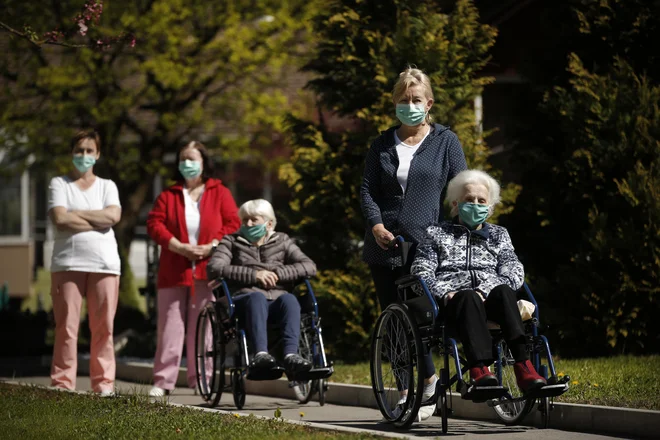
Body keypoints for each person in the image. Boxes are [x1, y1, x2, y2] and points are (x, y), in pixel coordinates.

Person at [360, 67, 467, 420]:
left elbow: (460, 187)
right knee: (394, 323)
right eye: (403, 100)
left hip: (426, 246)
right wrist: (376, 226)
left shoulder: (445, 141)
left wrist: (454, 232)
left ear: (429, 103)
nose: (409, 105)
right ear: (395, 104)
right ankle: (406, 392)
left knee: (421, 318)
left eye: (415, 100)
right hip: (385, 244)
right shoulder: (381, 144)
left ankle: (431, 381)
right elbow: (367, 190)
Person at [411, 169, 547, 394]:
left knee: (504, 290)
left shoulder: (498, 235)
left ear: (490, 207)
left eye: (481, 200)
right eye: (468, 199)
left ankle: (525, 367)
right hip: (456, 303)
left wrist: (484, 290)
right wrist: (445, 293)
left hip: (492, 300)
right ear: (455, 203)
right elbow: (421, 270)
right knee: (467, 296)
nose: (475, 204)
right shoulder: (436, 233)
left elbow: (513, 269)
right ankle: (480, 370)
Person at [146, 141, 241, 397]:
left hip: (206, 269)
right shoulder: (168, 195)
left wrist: (211, 246)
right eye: (183, 159)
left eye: (192, 158)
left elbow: (233, 223)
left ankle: (202, 378)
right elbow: (155, 224)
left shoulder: (219, 192)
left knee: (204, 327)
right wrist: (178, 246)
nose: (187, 163)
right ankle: (164, 380)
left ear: (203, 162)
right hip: (174, 270)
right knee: (170, 326)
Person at [48, 129, 122, 396]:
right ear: (72, 153)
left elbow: (113, 216)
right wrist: (96, 220)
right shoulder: (59, 184)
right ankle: (62, 384)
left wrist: (76, 214)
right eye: (79, 150)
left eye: (89, 150)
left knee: (104, 327)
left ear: (98, 154)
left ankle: (103, 385)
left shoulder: (108, 186)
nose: (84, 155)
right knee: (66, 326)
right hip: (67, 263)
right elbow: (60, 219)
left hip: (105, 265)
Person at [207, 199, 316, 375]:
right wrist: (255, 275)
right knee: (257, 298)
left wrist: (279, 274)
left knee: (290, 299)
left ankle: (291, 356)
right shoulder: (231, 241)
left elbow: (309, 266)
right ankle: (260, 355)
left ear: (269, 223)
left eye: (253, 219)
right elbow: (215, 267)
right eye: (245, 220)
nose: (248, 224)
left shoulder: (282, 241)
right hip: (244, 301)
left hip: (277, 301)